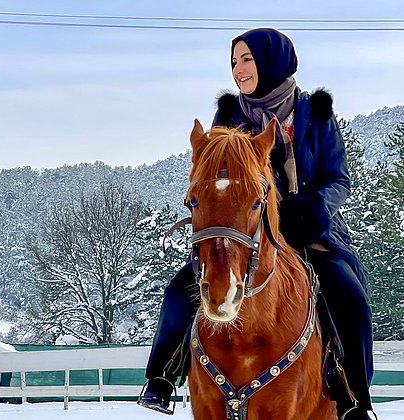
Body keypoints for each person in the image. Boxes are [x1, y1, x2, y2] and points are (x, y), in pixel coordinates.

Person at [138, 28, 375, 420]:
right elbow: (214, 172)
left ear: (272, 61)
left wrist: (315, 209)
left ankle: (354, 400)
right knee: (179, 290)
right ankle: (161, 378)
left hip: (309, 230)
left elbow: (338, 178)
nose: (238, 69)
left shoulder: (315, 112)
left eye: (246, 59)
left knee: (348, 295)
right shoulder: (229, 114)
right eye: (234, 61)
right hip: (244, 231)